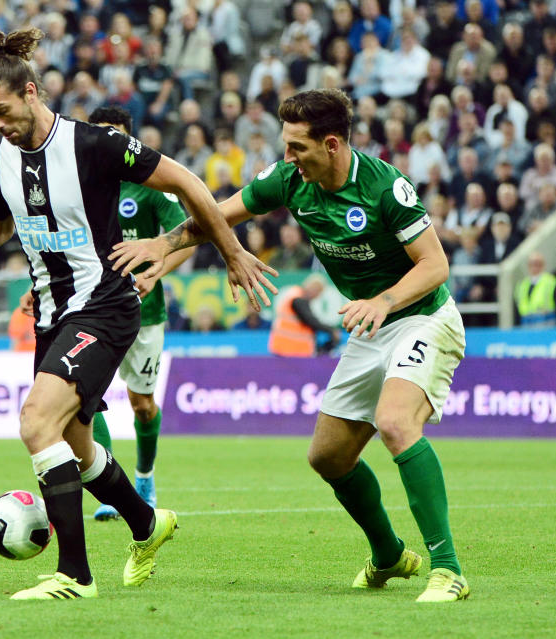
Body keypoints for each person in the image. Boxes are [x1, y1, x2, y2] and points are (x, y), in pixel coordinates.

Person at [0, 28, 275, 601]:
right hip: (51, 314)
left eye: (2, 110)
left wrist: (232, 250)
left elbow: (188, 182)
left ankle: (74, 575)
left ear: (31, 91)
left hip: (106, 304)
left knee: (35, 424)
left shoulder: (94, 145)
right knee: (75, 445)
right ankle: (147, 524)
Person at [112, 88, 470, 603]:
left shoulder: (386, 186)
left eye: (297, 147)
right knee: (327, 457)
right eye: (285, 146)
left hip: (422, 316)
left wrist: (384, 301)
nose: (287, 158)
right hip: (372, 324)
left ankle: (448, 569)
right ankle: (389, 555)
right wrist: (163, 243)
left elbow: (435, 265)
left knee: (395, 423)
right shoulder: (288, 180)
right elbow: (218, 215)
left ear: (331, 144)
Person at [46, 105, 195, 521]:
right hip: (90, 312)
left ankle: (145, 476)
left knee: (142, 403)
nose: (106, 144)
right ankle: (113, 489)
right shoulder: (77, 187)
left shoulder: (149, 190)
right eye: (99, 134)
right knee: (84, 403)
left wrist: (156, 271)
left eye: (115, 134)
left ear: (130, 140)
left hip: (144, 313)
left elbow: (188, 237)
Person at [268, 273, 342, 357]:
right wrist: (331, 330)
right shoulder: (298, 299)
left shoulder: (293, 295)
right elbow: (310, 320)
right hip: (290, 351)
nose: (317, 296)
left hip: (288, 349)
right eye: (318, 292)